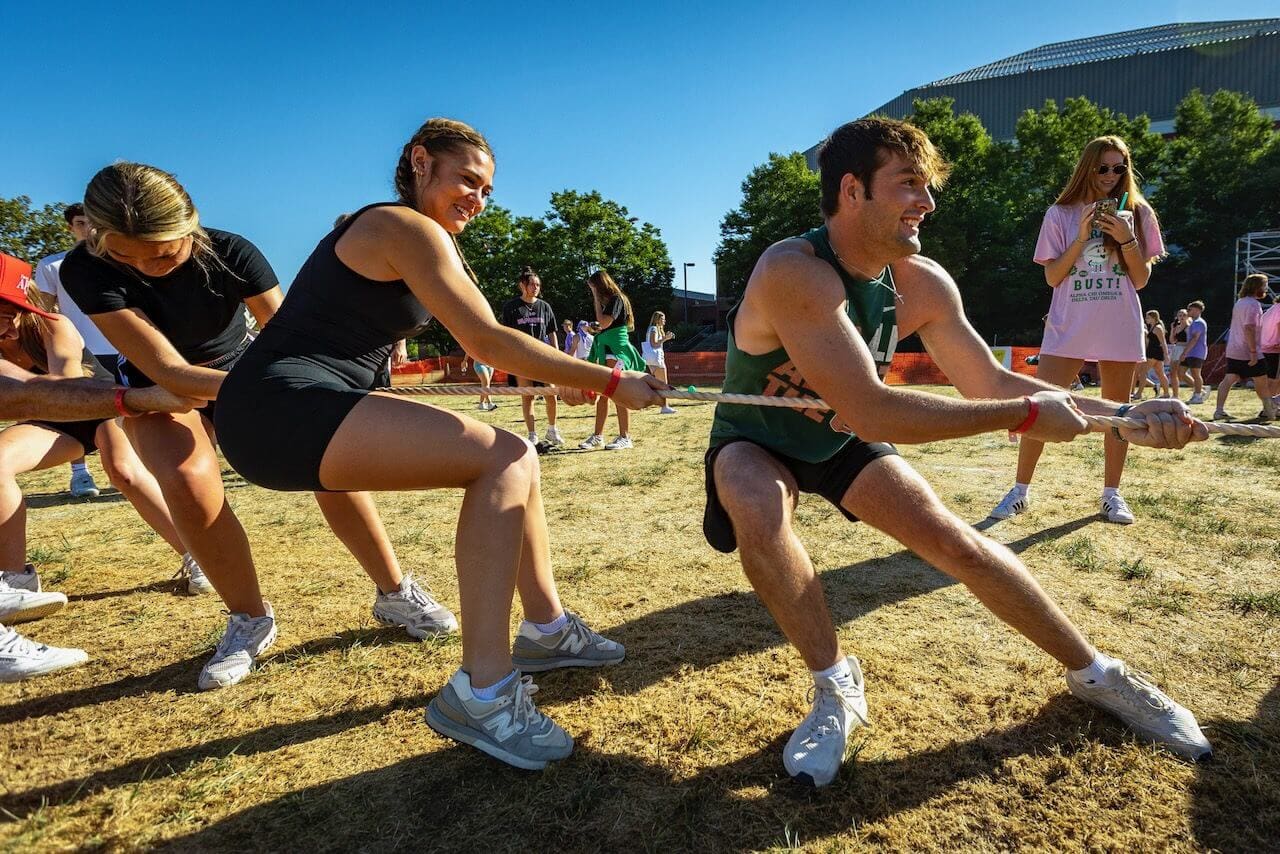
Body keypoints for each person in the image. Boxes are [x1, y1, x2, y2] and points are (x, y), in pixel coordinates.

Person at [705, 118, 1211, 788]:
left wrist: (1121, 417)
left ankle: (1098, 675)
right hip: (757, 437)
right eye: (909, 184)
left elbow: (991, 383)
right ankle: (836, 687)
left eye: (928, 185)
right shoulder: (795, 271)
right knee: (754, 503)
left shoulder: (924, 283)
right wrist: (1030, 413)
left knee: (955, 541)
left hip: (839, 438)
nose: (929, 202)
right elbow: (877, 409)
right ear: (852, 191)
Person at [215, 118, 666, 769]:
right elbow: (487, 341)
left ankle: (544, 629)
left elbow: (493, 339)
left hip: (292, 410)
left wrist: (563, 374)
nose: (477, 201)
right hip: (277, 407)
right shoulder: (401, 226)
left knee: (511, 457)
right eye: (466, 181)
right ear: (421, 162)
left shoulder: (418, 236)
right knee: (506, 456)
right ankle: (483, 694)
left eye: (486, 191)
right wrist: (610, 380)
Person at [60, 162, 458, 692]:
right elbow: (170, 372)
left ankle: (394, 593)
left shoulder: (233, 252)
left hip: (247, 367)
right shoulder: (83, 270)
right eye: (125, 256)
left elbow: (292, 336)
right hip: (158, 383)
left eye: (162, 252)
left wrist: (316, 391)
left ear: (190, 227)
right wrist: (270, 392)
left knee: (329, 467)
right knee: (185, 480)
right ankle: (249, 619)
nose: (146, 267)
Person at [0, 253, 198, 682]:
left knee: (124, 472)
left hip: (94, 401)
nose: (6, 325)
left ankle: (196, 556)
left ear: (27, 303)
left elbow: (63, 386)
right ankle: (14, 582)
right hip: (47, 418)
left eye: (9, 312)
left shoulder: (55, 327)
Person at [990, 136, 1165, 525]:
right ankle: (1019, 491)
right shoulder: (1060, 214)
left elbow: (1139, 280)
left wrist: (1126, 238)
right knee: (1041, 405)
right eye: (1103, 167)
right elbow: (1053, 276)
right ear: (1087, 167)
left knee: (1118, 413)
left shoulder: (1138, 212)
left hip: (1118, 321)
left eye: (1119, 168)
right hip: (1069, 322)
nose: (1110, 175)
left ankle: (1111, 494)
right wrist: (1082, 236)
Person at [33, 203, 117, 499]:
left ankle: (125, 469)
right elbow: (39, 312)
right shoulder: (51, 265)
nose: (88, 229)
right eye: (81, 223)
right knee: (74, 411)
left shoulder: (117, 260)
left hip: (121, 348)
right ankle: (80, 474)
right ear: (71, 227)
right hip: (79, 350)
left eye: (93, 222)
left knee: (124, 414)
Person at [579, 270, 648, 450]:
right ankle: (597, 436)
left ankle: (625, 436)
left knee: (618, 393)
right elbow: (602, 326)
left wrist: (595, 296)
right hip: (607, 350)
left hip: (617, 352)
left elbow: (603, 323)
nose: (593, 293)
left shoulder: (617, 299)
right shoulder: (612, 301)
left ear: (600, 286)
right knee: (604, 394)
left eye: (594, 289)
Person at [500, 267, 564, 447]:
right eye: (532, 284)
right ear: (522, 285)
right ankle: (532, 434)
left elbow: (552, 333)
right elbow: (507, 334)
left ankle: (552, 430)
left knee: (551, 393)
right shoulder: (511, 307)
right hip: (520, 359)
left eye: (538, 285)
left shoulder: (545, 307)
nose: (535, 287)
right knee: (528, 396)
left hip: (544, 357)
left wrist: (556, 355)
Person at [1214, 274, 1273, 422]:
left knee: (1228, 380)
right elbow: (1249, 328)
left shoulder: (1240, 302)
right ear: (1257, 287)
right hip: (1249, 351)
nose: (1266, 288)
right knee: (1262, 382)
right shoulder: (1253, 305)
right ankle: (1270, 413)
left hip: (1234, 349)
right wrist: (1253, 352)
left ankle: (1219, 411)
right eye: (1264, 285)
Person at [642, 311, 678, 414]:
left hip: (653, 359)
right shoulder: (654, 329)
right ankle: (664, 406)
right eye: (662, 319)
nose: (664, 321)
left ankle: (663, 405)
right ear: (657, 319)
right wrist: (665, 338)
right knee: (663, 384)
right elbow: (654, 344)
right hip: (656, 359)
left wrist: (664, 338)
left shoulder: (653, 329)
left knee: (659, 384)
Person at [1182, 301, 1209, 404]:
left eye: (1190, 309)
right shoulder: (1193, 322)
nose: (1188, 311)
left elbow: (1195, 338)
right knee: (1181, 373)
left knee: (1195, 374)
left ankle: (1197, 396)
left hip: (1197, 352)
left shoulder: (1199, 322)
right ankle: (1201, 390)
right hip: (1190, 352)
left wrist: (1184, 352)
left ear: (1197, 310)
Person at [1140, 310, 1170, 398]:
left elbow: (1163, 342)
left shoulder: (1158, 328)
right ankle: (1166, 393)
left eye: (1148, 318)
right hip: (1153, 352)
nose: (1146, 319)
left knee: (1143, 372)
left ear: (1154, 318)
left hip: (1154, 353)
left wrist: (1166, 354)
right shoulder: (1152, 327)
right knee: (1160, 373)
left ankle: (1139, 393)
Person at [1167, 308, 1189, 400]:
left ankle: (1200, 388)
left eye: (1184, 315)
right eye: (1180, 315)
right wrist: (1172, 329)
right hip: (1176, 349)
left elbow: (1190, 341)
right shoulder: (1177, 327)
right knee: (1173, 373)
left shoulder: (1188, 327)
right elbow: (1172, 341)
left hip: (1183, 349)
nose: (1182, 317)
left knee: (1181, 373)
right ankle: (1175, 395)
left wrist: (1185, 352)